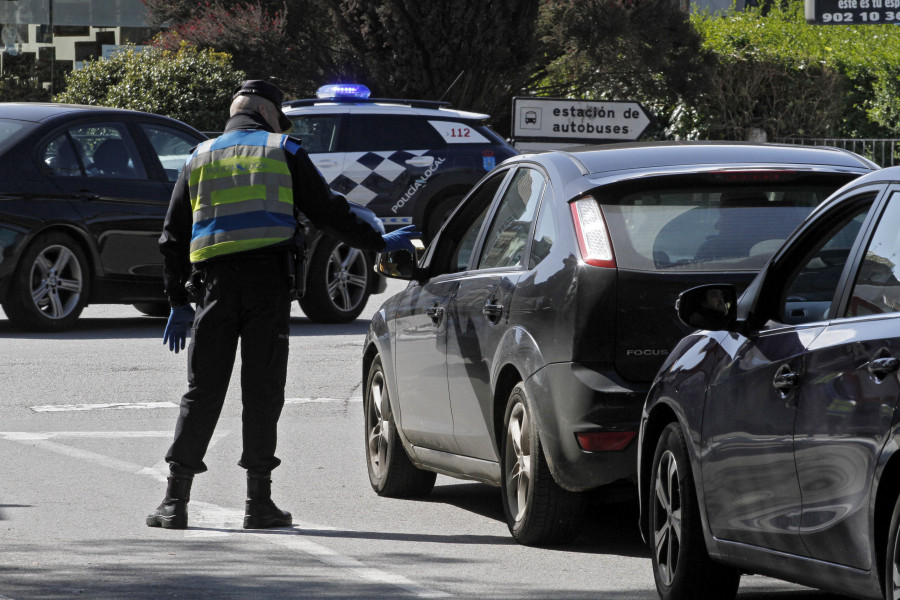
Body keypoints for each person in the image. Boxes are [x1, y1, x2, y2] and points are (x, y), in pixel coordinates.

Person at [147, 80, 421, 530]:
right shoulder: (285, 150)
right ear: (264, 111)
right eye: (278, 115)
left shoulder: (199, 155)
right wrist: (375, 242)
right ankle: (259, 505)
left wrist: (177, 300)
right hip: (268, 287)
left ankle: (174, 503)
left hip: (213, 289)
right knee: (262, 391)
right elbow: (328, 211)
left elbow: (172, 237)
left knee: (202, 391)